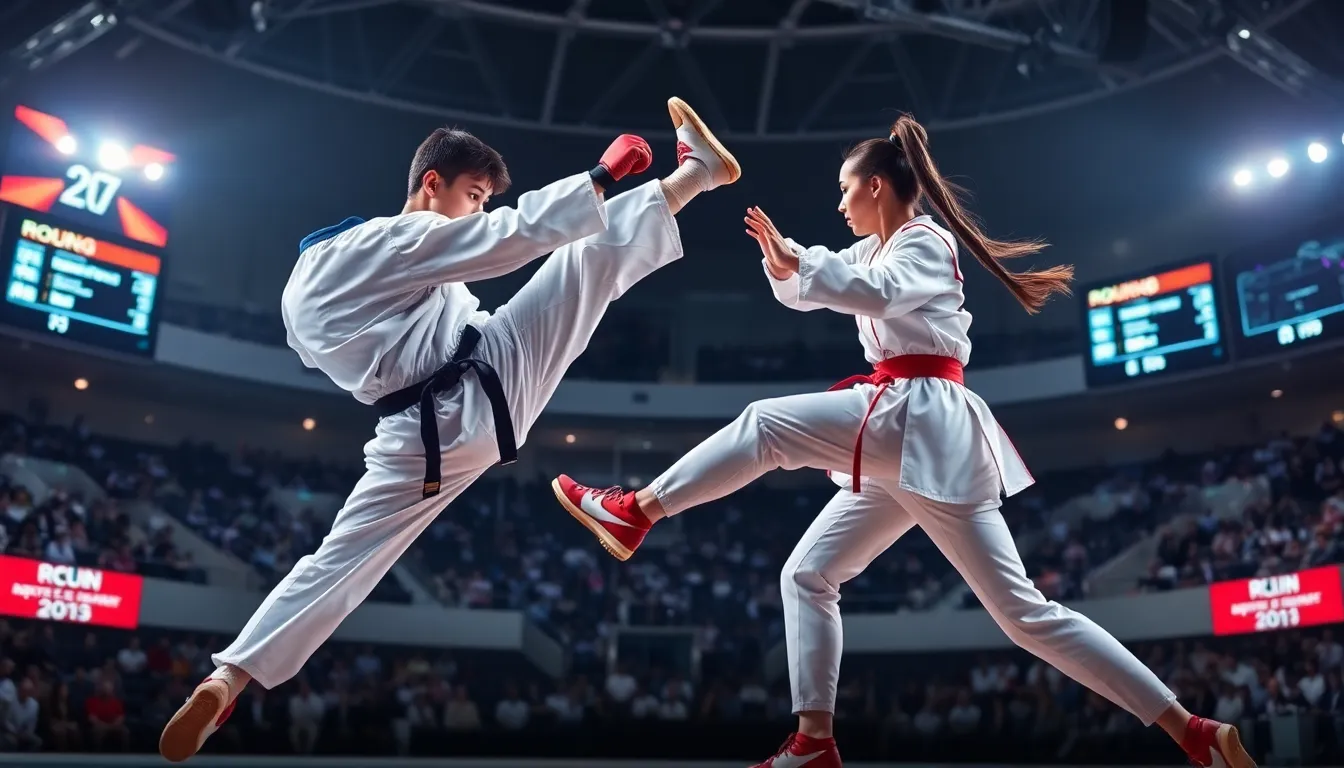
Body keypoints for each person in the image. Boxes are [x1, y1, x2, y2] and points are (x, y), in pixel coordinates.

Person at [552, 113, 1254, 768]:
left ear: (876, 186)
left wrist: (802, 263)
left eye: (844, 189)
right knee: (836, 580)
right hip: (914, 432)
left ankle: (636, 510)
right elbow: (823, 285)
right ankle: (1191, 733)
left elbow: (876, 292)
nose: (839, 203)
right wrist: (785, 264)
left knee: (764, 425)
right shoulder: (875, 248)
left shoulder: (925, 242)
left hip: (919, 410)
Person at [157, 96, 739, 763]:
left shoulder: (305, 293)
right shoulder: (394, 239)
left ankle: (229, 678)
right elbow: (507, 239)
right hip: (483, 382)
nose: (479, 210)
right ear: (431, 183)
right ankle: (694, 175)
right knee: (584, 264)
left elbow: (326, 351)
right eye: (474, 195)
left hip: (414, 438)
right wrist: (599, 178)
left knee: (341, 562)